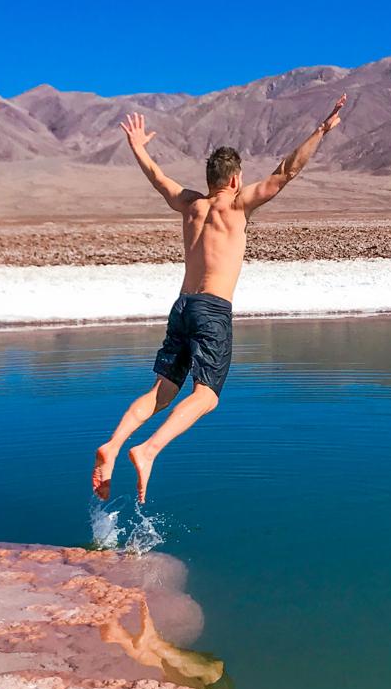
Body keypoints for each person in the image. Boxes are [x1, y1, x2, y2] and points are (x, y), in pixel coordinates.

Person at [91, 94, 347, 503]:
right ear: (234, 180)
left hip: (181, 307)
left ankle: (115, 443)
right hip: (212, 310)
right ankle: (148, 449)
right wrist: (320, 130)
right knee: (206, 395)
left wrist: (138, 148)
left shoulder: (190, 204)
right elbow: (287, 171)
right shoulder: (238, 206)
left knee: (163, 389)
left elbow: (159, 178)